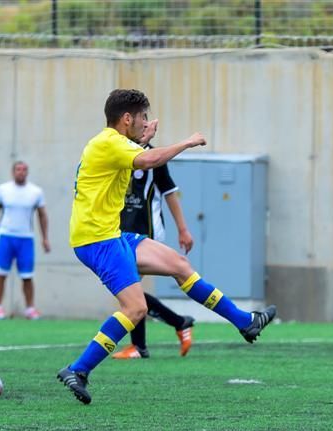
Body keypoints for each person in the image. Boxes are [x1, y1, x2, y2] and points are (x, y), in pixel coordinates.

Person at [57, 88, 276, 405]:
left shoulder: (113, 143)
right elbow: (147, 160)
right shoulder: (107, 142)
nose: (146, 122)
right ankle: (78, 369)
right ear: (128, 118)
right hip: (97, 240)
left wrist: (142, 139)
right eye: (142, 116)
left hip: (111, 234)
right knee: (135, 309)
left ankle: (245, 322)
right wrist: (187, 142)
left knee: (178, 265)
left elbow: (136, 154)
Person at [112, 128, 196, 360]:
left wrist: (183, 229)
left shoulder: (155, 158)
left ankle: (140, 346)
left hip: (146, 231)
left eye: (145, 122)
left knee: (129, 290)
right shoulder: (119, 153)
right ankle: (178, 323)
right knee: (131, 291)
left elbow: (170, 192)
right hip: (122, 231)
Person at [0, 161, 50, 320]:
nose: (21, 172)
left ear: (27, 172)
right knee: (0, 273)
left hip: (26, 238)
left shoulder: (36, 192)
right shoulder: (3, 190)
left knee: (27, 275)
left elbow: (42, 215)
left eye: (24, 170)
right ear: (13, 172)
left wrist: (45, 238)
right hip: (5, 236)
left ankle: (30, 309)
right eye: (18, 169)